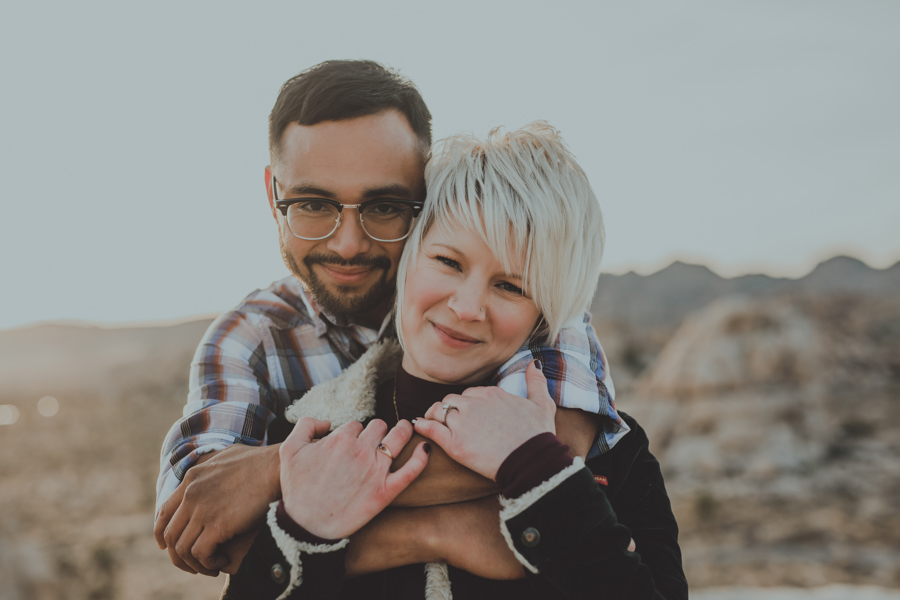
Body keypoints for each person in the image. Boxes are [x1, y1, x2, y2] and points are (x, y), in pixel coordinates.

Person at [154, 60, 621, 584]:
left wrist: (272, 472)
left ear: (425, 199)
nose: (348, 243)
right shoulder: (252, 339)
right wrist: (462, 527)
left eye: (383, 206)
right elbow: (205, 523)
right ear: (272, 195)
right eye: (312, 204)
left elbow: (549, 444)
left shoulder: (516, 298)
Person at [230, 123, 687, 599]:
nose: (468, 307)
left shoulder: (611, 455)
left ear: (544, 314)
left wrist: (541, 474)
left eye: (511, 286)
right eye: (448, 262)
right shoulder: (305, 438)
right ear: (409, 257)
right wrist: (305, 535)